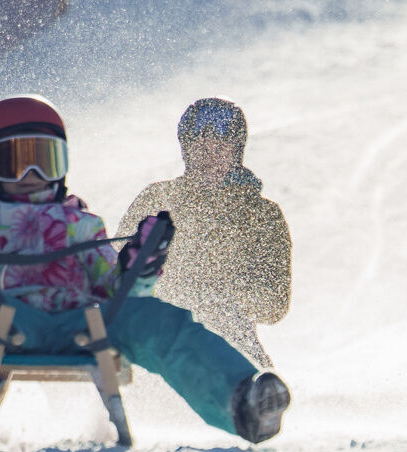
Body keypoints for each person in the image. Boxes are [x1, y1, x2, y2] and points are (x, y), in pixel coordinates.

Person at [0, 94, 290, 450]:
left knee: (158, 320)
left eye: (43, 162)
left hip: (84, 323)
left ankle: (241, 400)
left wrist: (139, 264)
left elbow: (117, 293)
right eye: (15, 163)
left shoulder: (81, 224)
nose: (32, 175)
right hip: (4, 319)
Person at [119, 98, 291, 370]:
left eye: (219, 148)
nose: (209, 157)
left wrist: (222, 296)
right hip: (158, 333)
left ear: (236, 151)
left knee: (242, 376)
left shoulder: (261, 214)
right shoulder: (159, 199)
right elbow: (117, 271)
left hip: (229, 340)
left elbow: (274, 304)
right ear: (186, 151)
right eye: (199, 148)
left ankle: (252, 400)